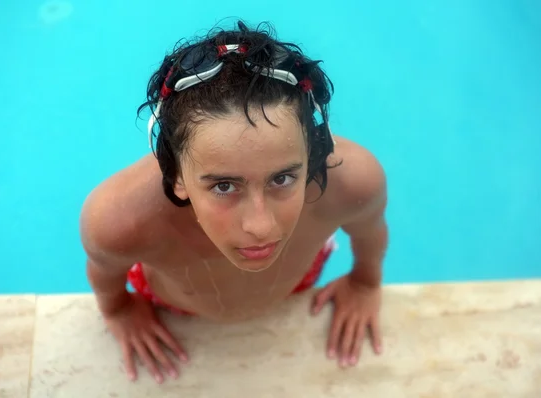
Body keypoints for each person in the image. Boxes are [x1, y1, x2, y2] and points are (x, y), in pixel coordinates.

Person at [80, 20, 388, 384]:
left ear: (311, 152)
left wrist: (365, 283)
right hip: (171, 301)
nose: (260, 226)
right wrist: (118, 310)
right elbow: (104, 270)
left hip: (295, 283)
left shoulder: (353, 183)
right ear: (176, 174)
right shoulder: (119, 221)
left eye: (283, 178)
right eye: (224, 186)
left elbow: (370, 230)